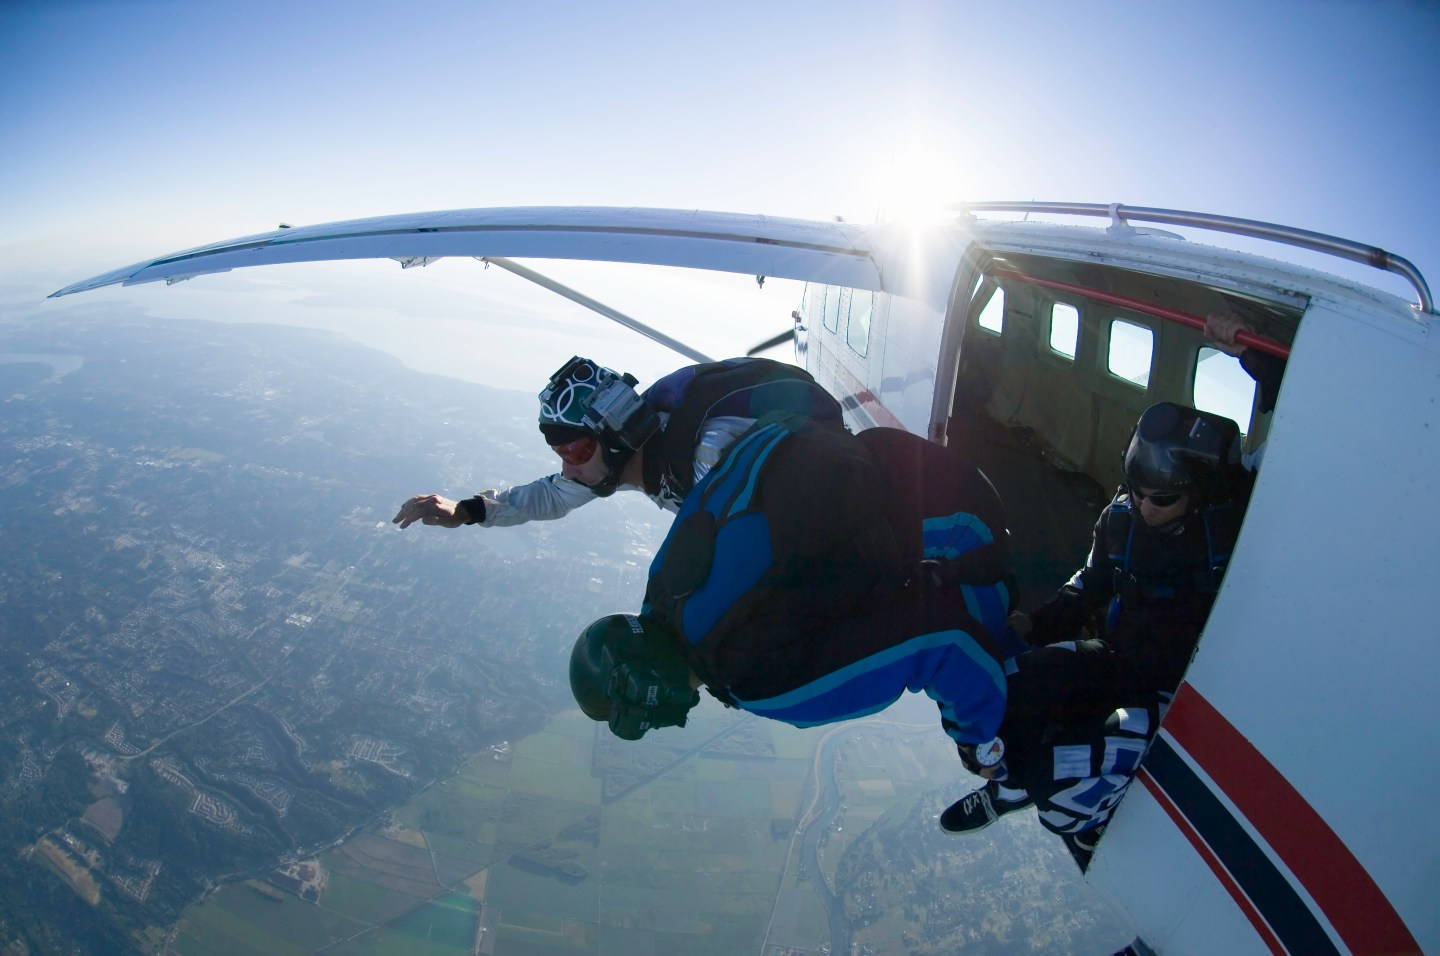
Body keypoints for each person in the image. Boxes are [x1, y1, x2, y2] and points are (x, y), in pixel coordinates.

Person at [568, 420, 1017, 779]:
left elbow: (942, 643)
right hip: (896, 459)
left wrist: (974, 741)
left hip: (956, 517)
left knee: (1001, 694)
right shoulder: (668, 587)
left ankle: (1023, 748)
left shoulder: (757, 679)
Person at [939, 400, 1254, 865]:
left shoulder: (1230, 537)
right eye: (1137, 490)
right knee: (1004, 688)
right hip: (1117, 657)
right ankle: (1008, 789)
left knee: (1057, 781)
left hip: (1178, 695)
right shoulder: (1120, 520)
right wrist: (1032, 624)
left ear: (1198, 491)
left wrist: (1254, 359)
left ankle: (1090, 831)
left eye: (1162, 498)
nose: (1145, 505)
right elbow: (1088, 585)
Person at [392, 355, 842, 529]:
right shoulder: (636, 457)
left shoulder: (709, 457)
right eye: (561, 452)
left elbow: (775, 537)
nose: (568, 468)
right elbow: (550, 495)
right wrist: (468, 510)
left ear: (617, 437)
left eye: (578, 450)